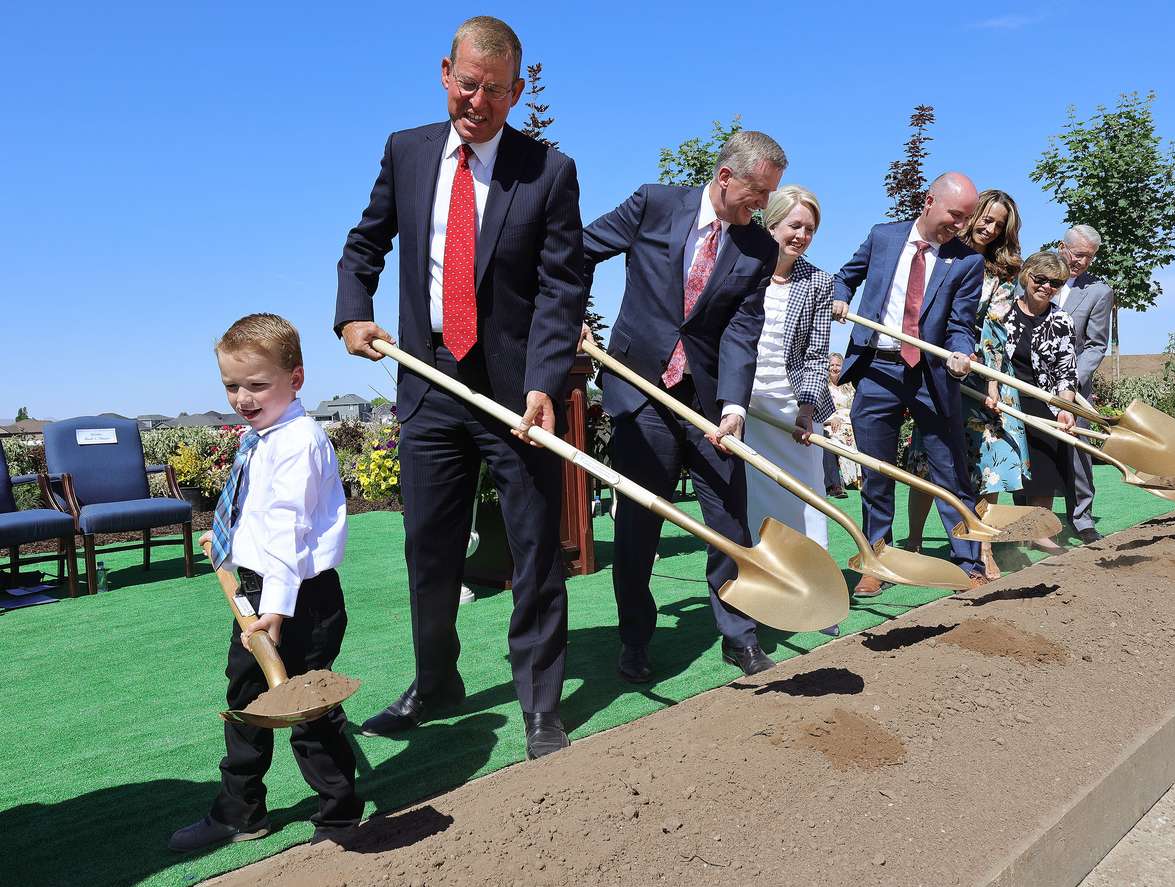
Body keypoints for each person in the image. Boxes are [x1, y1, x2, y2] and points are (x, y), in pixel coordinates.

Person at [334, 16, 583, 760]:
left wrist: (543, 383)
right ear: (446, 72)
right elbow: (364, 243)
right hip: (427, 380)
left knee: (536, 547)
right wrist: (354, 311)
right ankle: (435, 680)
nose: (479, 101)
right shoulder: (406, 152)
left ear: (517, 91)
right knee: (429, 549)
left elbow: (561, 287)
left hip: (516, 393)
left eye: (497, 92)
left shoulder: (549, 170)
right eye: (468, 84)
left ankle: (541, 703)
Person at [582, 130, 786, 682]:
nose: (764, 205)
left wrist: (734, 406)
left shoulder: (759, 248)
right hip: (640, 386)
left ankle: (739, 637)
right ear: (725, 178)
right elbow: (580, 250)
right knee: (640, 523)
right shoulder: (654, 203)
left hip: (706, 397)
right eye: (759, 192)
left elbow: (744, 329)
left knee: (727, 516)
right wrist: (572, 315)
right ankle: (635, 640)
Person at [170, 314, 361, 853]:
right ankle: (240, 812)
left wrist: (275, 609)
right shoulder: (261, 438)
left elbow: (289, 531)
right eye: (232, 385)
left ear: (295, 379)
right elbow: (257, 511)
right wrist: (224, 541)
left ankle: (340, 816)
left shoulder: (298, 441)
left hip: (301, 597)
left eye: (257, 385)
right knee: (246, 700)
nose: (242, 398)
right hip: (255, 589)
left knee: (307, 710)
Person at [831, 172, 987, 597]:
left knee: (949, 471)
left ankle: (969, 561)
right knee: (875, 471)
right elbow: (847, 275)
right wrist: (841, 296)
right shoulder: (884, 237)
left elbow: (960, 324)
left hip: (931, 378)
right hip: (877, 371)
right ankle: (877, 560)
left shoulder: (967, 261)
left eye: (966, 218)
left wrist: (959, 354)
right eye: (955, 215)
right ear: (928, 200)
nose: (960, 225)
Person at [900, 189, 1025, 579]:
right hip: (938, 368)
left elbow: (996, 331)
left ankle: (983, 547)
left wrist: (990, 382)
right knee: (928, 459)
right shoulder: (944, 253)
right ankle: (915, 540)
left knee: (990, 459)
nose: (989, 228)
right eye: (985, 219)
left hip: (983, 370)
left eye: (998, 224)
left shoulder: (1004, 274)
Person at [743, 185, 834, 547]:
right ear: (773, 223)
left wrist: (807, 408)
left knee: (805, 496)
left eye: (810, 229)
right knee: (753, 499)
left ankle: (812, 575)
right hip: (746, 408)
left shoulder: (818, 282)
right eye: (795, 226)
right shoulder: (742, 269)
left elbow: (816, 355)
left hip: (795, 407)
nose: (802, 236)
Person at [1002, 252, 1079, 553]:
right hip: (1003, 396)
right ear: (1027, 276)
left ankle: (1038, 532)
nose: (1047, 286)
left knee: (1046, 455)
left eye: (1056, 283)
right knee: (1006, 466)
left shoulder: (1061, 320)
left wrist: (1066, 409)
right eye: (1041, 279)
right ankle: (1008, 530)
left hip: (1042, 399)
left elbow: (1066, 370)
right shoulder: (1002, 311)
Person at [1055, 225, 1113, 543]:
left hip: (1073, 384)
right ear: (1062, 247)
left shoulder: (1098, 292)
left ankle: (1081, 517)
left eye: (1089, 258)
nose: (1084, 262)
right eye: (1079, 255)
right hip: (1026, 380)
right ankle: (1036, 518)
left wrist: (1070, 380)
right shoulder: (1032, 274)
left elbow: (1096, 345)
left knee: (1077, 449)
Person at [824, 353, 860, 496]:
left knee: (857, 432)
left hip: (850, 420)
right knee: (838, 436)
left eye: (838, 365)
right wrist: (832, 419)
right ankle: (845, 479)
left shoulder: (849, 386)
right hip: (830, 422)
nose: (834, 368)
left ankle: (860, 477)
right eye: (831, 365)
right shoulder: (823, 387)